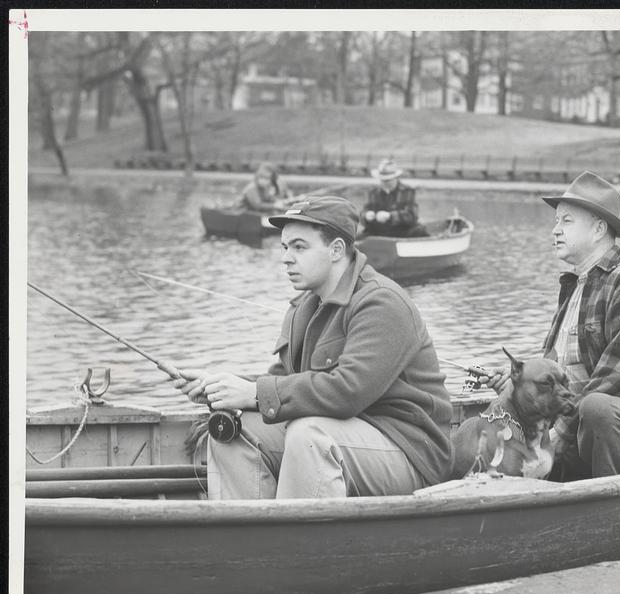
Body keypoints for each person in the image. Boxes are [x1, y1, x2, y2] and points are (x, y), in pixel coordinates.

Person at [174, 196, 453, 499]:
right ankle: (252, 537)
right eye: (285, 247)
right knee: (230, 431)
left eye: (299, 247)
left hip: (408, 451)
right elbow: (283, 381)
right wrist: (222, 388)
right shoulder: (302, 307)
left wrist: (253, 393)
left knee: (308, 436)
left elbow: (348, 391)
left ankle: (301, 544)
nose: (286, 258)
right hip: (343, 434)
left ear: (336, 250)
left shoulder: (382, 302)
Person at [483, 171, 620, 479]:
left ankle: (615, 504)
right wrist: (518, 382)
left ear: (599, 228)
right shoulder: (573, 287)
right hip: (575, 426)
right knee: (499, 408)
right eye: (556, 221)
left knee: (598, 407)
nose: (555, 231)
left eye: (566, 221)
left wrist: (560, 430)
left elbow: (619, 374)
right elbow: (555, 367)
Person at [361, 159, 427, 237]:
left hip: (403, 232)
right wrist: (366, 216)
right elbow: (363, 213)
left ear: (396, 177)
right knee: (356, 237)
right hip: (378, 232)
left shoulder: (407, 191)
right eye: (382, 180)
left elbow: (412, 216)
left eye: (387, 180)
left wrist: (390, 216)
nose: (384, 182)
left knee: (420, 230)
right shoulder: (373, 192)